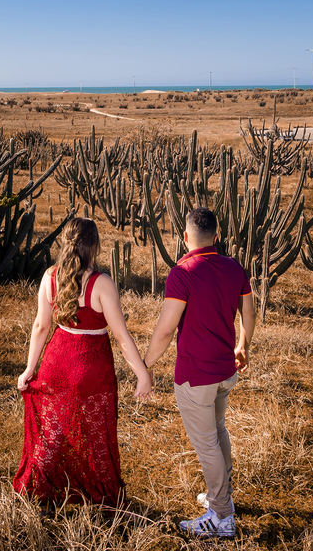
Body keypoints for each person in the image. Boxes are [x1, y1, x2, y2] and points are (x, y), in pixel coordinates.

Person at [14, 218, 153, 506]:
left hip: (56, 360)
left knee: (52, 432)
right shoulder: (101, 283)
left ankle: (37, 493)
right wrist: (143, 374)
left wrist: (30, 368)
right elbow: (122, 337)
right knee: (94, 434)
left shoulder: (50, 276)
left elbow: (41, 326)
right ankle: (99, 496)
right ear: (93, 246)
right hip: (91, 365)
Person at [142, 207, 255, 539]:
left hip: (196, 376)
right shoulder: (234, 267)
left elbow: (165, 331)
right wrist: (243, 345)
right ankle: (221, 496)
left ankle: (221, 516)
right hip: (224, 371)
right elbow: (248, 312)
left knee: (207, 444)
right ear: (216, 236)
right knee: (218, 433)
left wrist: (145, 365)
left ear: (185, 237)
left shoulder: (183, 273)